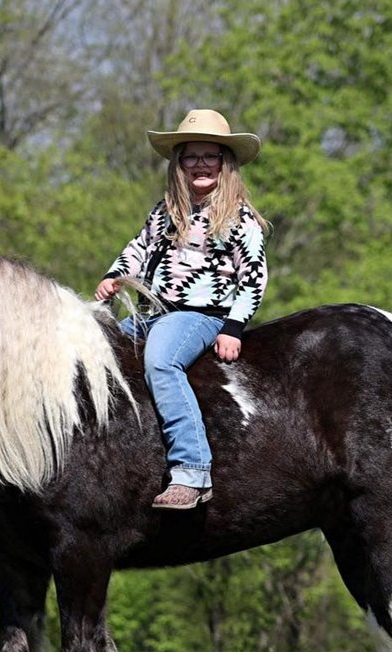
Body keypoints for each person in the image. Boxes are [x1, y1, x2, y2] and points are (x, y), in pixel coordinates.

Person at [95, 109, 268, 510]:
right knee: (97, 349)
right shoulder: (165, 211)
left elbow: (254, 277)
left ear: (226, 165)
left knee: (161, 362)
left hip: (198, 315)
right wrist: (116, 275)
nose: (201, 164)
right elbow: (137, 249)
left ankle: (192, 469)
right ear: (179, 165)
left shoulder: (239, 219)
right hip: (150, 311)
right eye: (192, 156)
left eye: (211, 156)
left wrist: (233, 326)